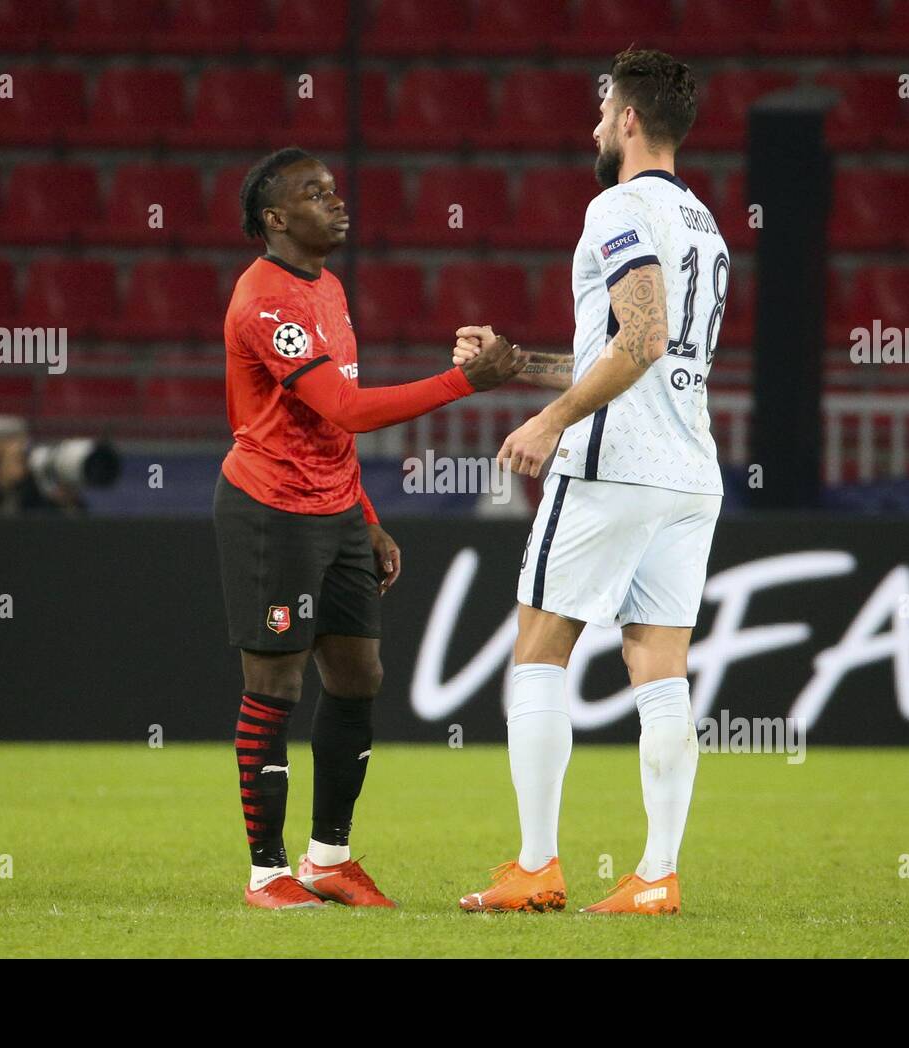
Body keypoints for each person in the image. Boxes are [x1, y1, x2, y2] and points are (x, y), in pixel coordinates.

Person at [455, 49, 728, 915]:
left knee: (538, 652)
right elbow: (640, 354)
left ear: (630, 122)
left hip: (613, 465)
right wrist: (521, 368)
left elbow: (639, 340)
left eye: (603, 110)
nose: (594, 125)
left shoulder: (617, 206)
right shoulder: (707, 227)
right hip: (688, 472)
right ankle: (656, 876)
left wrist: (551, 419)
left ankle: (537, 865)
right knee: (662, 671)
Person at [216, 147, 524, 909]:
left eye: (334, 188)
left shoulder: (329, 287)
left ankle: (328, 859)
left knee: (359, 677)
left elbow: (333, 431)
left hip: (336, 508)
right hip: (272, 513)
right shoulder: (266, 300)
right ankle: (267, 872)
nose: (337, 201)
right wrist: (463, 384)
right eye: (315, 194)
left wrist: (369, 517)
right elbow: (348, 410)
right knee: (275, 683)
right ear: (275, 219)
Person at [0, 415, 84, 517]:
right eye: (10, 441)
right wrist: (4, 487)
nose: (20, 446)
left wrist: (67, 503)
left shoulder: (40, 488)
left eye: (22, 441)